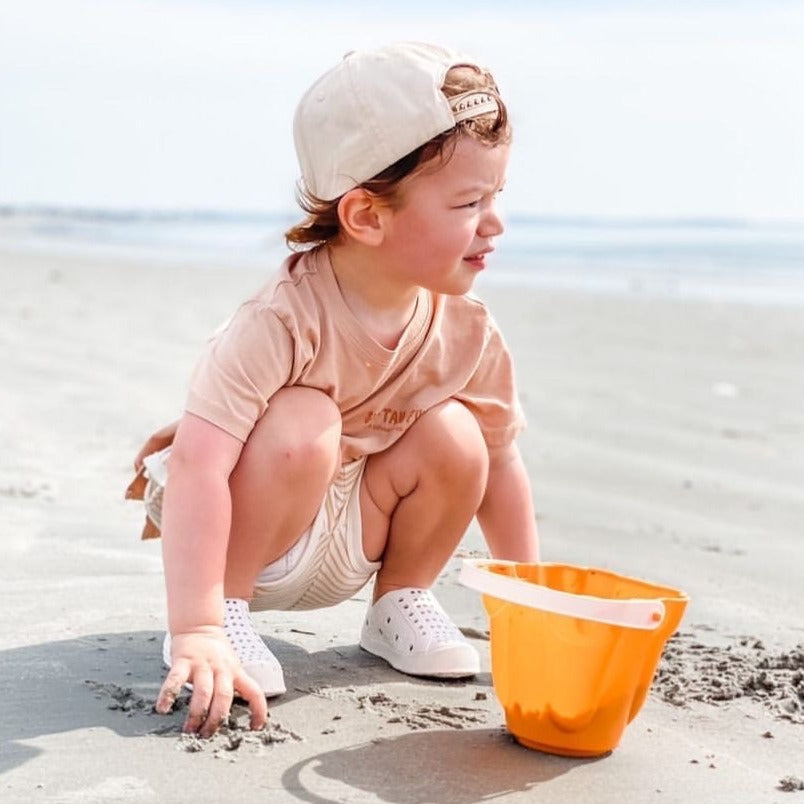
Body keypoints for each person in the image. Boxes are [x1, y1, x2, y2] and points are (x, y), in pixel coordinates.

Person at [131, 41, 538, 738]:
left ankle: (399, 603)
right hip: (250, 540)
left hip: (357, 534)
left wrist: (534, 603)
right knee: (303, 417)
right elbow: (200, 462)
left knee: (461, 434)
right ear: (367, 217)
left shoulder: (468, 331)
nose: (495, 222)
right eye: (470, 202)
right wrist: (196, 624)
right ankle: (225, 617)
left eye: (496, 195)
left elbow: (500, 465)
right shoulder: (283, 319)